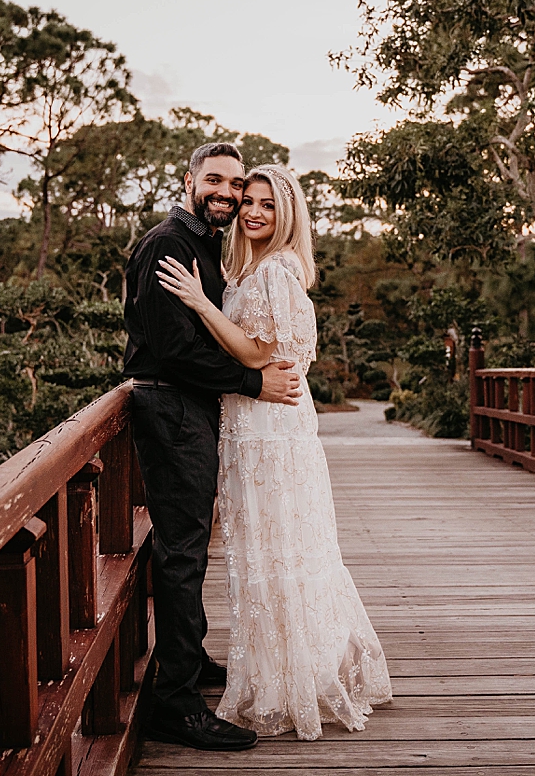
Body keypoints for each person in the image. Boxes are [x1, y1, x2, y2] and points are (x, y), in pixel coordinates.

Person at [156, 163, 393, 741]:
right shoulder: (251, 267)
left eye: (267, 203)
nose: (254, 211)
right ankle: (277, 666)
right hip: (253, 423)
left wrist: (199, 303)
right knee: (265, 546)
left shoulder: (278, 272)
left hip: (268, 427)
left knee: (277, 545)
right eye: (249, 201)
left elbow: (260, 354)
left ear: (287, 214)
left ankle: (292, 677)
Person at [123, 142, 304, 752]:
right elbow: (173, 351)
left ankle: (190, 665)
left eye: (239, 187)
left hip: (190, 410)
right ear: (189, 180)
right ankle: (175, 705)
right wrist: (254, 382)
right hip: (171, 406)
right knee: (182, 552)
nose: (228, 195)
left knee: (187, 546)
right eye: (218, 182)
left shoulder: (210, 245)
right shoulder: (168, 245)